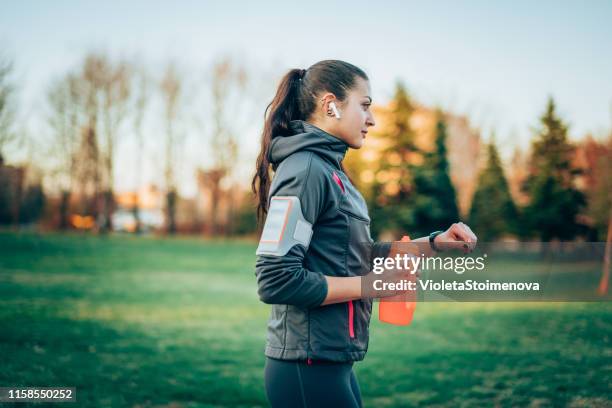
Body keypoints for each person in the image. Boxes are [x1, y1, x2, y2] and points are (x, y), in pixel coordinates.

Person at [251, 60, 477, 407]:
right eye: (365, 106)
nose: (372, 119)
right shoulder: (306, 170)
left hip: (332, 362)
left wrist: (433, 243)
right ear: (331, 105)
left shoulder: (332, 172)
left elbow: (353, 254)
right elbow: (276, 279)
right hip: (305, 367)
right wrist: (372, 284)